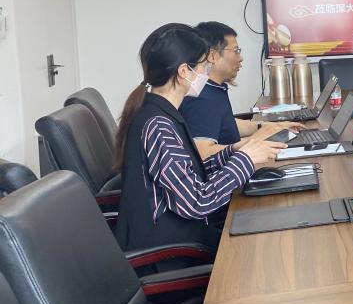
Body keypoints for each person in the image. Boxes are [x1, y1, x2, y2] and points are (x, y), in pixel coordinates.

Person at [114, 23, 284, 253]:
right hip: (174, 253)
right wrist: (244, 160)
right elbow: (196, 202)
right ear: (184, 71)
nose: (207, 72)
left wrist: (234, 151)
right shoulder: (158, 125)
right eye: (204, 65)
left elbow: (189, 171)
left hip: (186, 236)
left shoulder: (162, 112)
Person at [181, 21, 302, 159]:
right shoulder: (201, 98)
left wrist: (267, 126)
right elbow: (203, 154)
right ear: (212, 56)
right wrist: (255, 140)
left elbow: (226, 123)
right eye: (236, 51)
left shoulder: (212, 89)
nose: (241, 58)